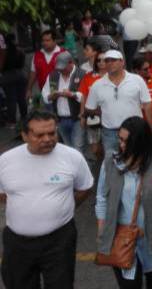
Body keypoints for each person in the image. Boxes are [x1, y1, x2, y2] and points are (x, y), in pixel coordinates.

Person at [0, 110, 93, 289]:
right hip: (18, 244)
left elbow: (85, 188)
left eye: (52, 133)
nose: (47, 139)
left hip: (59, 241)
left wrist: (63, 208)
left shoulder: (72, 157)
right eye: (39, 135)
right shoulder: (6, 161)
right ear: (24, 135)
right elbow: (3, 194)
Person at [95, 117, 152, 288]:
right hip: (122, 239)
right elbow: (102, 197)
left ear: (141, 142)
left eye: (127, 141)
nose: (121, 145)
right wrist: (102, 228)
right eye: (120, 139)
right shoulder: (110, 162)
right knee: (129, 285)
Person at [86, 50, 152, 155]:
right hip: (110, 133)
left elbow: (147, 104)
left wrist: (149, 128)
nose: (110, 63)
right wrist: (106, 112)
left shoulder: (137, 80)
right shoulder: (97, 85)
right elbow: (90, 107)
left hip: (134, 131)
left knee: (136, 159)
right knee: (111, 162)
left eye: (113, 60)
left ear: (122, 62)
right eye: (107, 61)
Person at [42, 52, 86, 151]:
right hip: (60, 120)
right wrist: (51, 96)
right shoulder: (53, 75)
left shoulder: (82, 74)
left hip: (77, 119)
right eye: (59, 68)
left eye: (63, 68)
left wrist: (72, 95)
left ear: (71, 63)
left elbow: (86, 96)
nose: (60, 70)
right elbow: (45, 96)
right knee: (67, 148)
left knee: (77, 148)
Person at [79, 49, 107, 162]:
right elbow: (83, 97)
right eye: (98, 60)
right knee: (95, 149)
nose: (101, 62)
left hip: (110, 117)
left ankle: (106, 164)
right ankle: (102, 161)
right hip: (92, 117)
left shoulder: (114, 76)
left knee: (109, 145)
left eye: (104, 60)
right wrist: (82, 116)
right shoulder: (88, 77)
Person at [26, 30, 65, 101]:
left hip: (61, 95)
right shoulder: (37, 55)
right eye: (43, 41)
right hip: (44, 94)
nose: (44, 43)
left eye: (48, 40)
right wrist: (29, 89)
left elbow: (72, 73)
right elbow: (33, 73)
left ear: (54, 41)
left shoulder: (63, 53)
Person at [0, 34, 28, 127]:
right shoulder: (20, 50)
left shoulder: (4, 52)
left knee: (11, 100)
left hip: (7, 76)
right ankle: (24, 117)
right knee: (22, 98)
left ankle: (12, 121)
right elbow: (22, 63)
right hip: (21, 74)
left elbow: (1, 66)